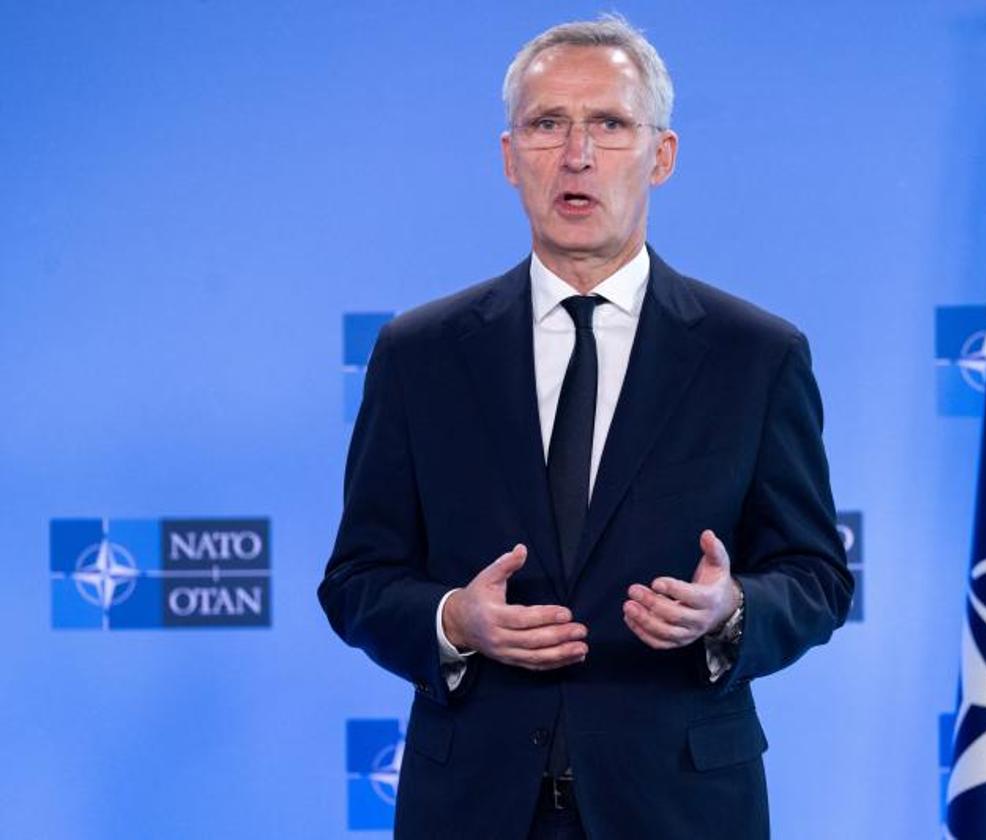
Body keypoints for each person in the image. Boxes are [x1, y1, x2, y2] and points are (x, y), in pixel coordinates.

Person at [318, 15, 853, 840]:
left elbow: (816, 575)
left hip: (680, 807)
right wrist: (455, 620)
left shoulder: (756, 355)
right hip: (473, 808)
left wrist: (732, 608)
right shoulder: (418, 355)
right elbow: (358, 579)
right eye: (546, 125)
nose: (576, 155)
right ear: (509, 158)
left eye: (608, 123)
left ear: (661, 155)